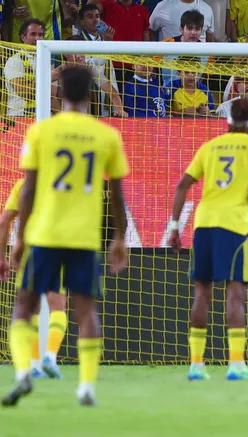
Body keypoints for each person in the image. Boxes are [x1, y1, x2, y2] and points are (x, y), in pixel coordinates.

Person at [2, 66, 129, 407]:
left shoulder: (41, 132)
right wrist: (119, 237)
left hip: (45, 234)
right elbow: (116, 194)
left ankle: (23, 372)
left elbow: (28, 190)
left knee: (24, 305)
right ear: (90, 94)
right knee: (85, 310)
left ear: (60, 93)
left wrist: (20, 238)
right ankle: (86, 387)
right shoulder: (106, 135)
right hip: (84, 237)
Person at [168, 98, 248, 382]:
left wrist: (174, 226)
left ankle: (196, 366)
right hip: (233, 225)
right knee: (235, 293)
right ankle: (236, 365)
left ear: (227, 120)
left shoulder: (210, 146)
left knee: (202, 293)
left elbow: (182, 185)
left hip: (203, 223)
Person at [0, 179, 68, 380]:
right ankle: (50, 357)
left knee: (30, 308)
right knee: (58, 306)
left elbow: (4, 221)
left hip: (28, 250)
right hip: (56, 247)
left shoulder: (23, 185)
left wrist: (1, 256)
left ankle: (34, 365)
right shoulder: (62, 184)